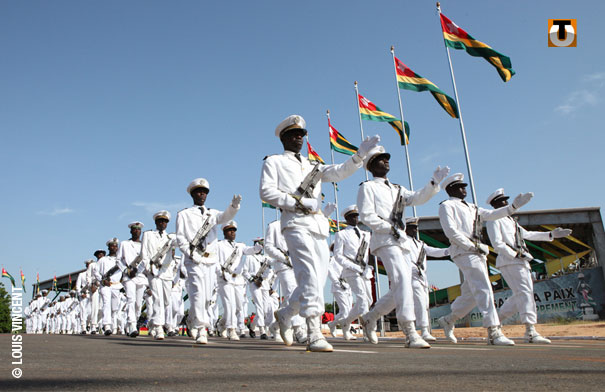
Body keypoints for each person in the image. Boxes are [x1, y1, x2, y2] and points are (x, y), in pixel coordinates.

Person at [260, 114, 379, 352]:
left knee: (315, 280)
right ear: (283, 137)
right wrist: (298, 202)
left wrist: (359, 156)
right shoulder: (274, 162)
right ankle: (314, 332)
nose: (299, 138)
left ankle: (285, 314)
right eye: (294, 134)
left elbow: (338, 172)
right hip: (295, 224)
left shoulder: (312, 166)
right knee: (308, 276)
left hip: (318, 227)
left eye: (302, 135)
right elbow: (266, 192)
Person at [357, 145, 449, 348]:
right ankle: (409, 330)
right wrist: (389, 228)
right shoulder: (368, 187)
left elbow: (417, 198)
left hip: (401, 242)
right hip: (384, 240)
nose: (386, 161)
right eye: (382, 158)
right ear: (372, 165)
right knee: (401, 280)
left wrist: (434, 183)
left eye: (387, 158)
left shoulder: (397, 189)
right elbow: (367, 215)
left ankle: (371, 317)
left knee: (402, 284)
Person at [437, 174, 533, 346]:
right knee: (484, 288)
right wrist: (471, 246)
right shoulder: (446, 206)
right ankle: (493, 330)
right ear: (451, 189)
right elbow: (451, 231)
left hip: (477, 252)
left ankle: (448, 319)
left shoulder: (472, 207)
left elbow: (491, 214)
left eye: (465, 186)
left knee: (472, 294)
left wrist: (513, 207)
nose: (464, 189)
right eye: (460, 186)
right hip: (464, 252)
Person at [485, 188, 571, 344]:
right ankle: (530, 331)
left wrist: (550, 235)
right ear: (497, 204)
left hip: (521, 260)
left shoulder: (511, 221)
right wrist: (515, 254)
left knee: (521, 294)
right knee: (525, 292)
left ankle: (495, 321)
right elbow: (497, 244)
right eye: (503, 200)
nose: (506, 202)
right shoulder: (494, 220)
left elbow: (527, 234)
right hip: (510, 260)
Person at [176, 177, 241, 344]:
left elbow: (225, 217)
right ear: (193, 194)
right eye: (199, 191)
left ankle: (192, 319)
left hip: (210, 260)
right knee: (197, 292)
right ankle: (200, 328)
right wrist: (191, 253)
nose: (202, 194)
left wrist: (233, 207)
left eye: (204, 192)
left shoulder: (212, 213)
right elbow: (181, 238)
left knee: (206, 298)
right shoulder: (184, 214)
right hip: (193, 259)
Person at [331, 205, 374, 341]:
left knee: (369, 301)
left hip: (365, 271)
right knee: (362, 300)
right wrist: (354, 267)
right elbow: (338, 256)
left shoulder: (366, 234)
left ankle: (346, 322)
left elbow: (370, 253)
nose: (356, 219)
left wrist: (370, 267)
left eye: (357, 216)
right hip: (351, 271)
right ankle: (368, 330)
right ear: (347, 218)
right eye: (353, 216)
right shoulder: (341, 234)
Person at [404, 217, 449, 342]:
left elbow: (434, 252)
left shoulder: (420, 244)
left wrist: (448, 250)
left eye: (415, 228)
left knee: (424, 304)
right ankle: (423, 330)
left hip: (422, 277)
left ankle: (423, 330)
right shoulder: (403, 242)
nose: (414, 230)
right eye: (411, 228)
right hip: (411, 277)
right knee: (419, 303)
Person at [215, 221, 260, 340]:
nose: (233, 232)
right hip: (225, 279)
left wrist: (258, 246)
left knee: (238, 307)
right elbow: (215, 262)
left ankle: (221, 324)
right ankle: (232, 329)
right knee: (229, 304)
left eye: (234, 230)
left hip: (238, 280)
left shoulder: (240, 245)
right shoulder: (219, 245)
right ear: (224, 232)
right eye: (230, 230)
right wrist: (221, 273)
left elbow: (249, 250)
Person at [264, 219, 305, 343]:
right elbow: (268, 247)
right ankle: (298, 330)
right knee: (291, 294)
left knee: (296, 297)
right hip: (283, 266)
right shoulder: (274, 226)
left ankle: (276, 325)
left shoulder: (299, 225)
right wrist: (285, 258)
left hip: (298, 265)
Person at [141, 210, 178, 340]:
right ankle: (158, 327)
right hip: (153, 271)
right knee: (158, 299)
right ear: (156, 222)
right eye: (160, 221)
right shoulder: (148, 235)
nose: (162, 223)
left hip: (166, 272)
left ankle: (152, 322)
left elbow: (179, 243)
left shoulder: (171, 237)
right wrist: (148, 268)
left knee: (167, 301)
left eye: (165, 221)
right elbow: (144, 253)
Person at [117, 221, 147, 338]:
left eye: (138, 229)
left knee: (138, 304)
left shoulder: (144, 245)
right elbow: (118, 260)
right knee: (131, 299)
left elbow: (146, 260)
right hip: (128, 276)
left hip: (141, 277)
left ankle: (131, 323)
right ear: (131, 231)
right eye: (134, 229)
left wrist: (138, 271)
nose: (136, 231)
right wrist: (125, 270)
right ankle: (133, 326)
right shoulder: (125, 244)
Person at [94, 238, 123, 336]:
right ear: (109, 247)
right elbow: (96, 271)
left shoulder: (120, 260)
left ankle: (111, 323)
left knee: (115, 307)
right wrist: (101, 280)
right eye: (112, 246)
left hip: (116, 285)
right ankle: (107, 326)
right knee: (106, 303)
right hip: (105, 285)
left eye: (115, 246)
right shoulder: (103, 260)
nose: (114, 247)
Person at [327, 245, 353, 339]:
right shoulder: (332, 260)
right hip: (338, 288)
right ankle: (346, 331)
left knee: (348, 311)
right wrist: (337, 283)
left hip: (348, 287)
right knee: (345, 310)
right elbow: (330, 272)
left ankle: (332, 324)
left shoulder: (346, 260)